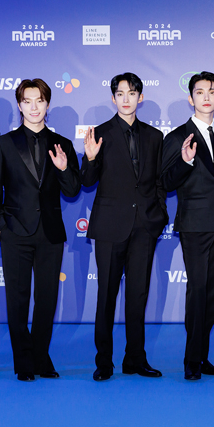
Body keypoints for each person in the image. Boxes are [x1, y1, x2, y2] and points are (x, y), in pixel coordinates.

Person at [0, 78, 81, 381]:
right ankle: (23, 362)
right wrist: (4, 230)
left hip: (50, 233)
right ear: (20, 105)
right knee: (17, 300)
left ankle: (41, 358)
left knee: (47, 300)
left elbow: (73, 190)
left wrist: (63, 169)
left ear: (47, 103)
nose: (34, 107)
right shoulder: (4, 143)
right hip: (15, 233)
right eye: (27, 101)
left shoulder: (63, 144)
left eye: (39, 100)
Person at [81, 73, 169, 381]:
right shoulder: (100, 133)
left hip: (144, 226)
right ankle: (104, 362)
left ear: (140, 97)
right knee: (106, 296)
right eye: (120, 94)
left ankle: (135, 359)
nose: (126, 99)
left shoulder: (154, 136)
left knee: (137, 296)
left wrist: (159, 215)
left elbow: (159, 181)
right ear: (113, 98)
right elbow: (86, 181)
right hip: (109, 227)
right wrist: (90, 159)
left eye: (132, 93)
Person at [161, 71, 214, 380]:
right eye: (200, 92)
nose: (206, 97)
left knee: (212, 292)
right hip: (195, 224)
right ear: (190, 99)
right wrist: (185, 161)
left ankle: (203, 357)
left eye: (212, 91)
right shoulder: (178, 137)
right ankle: (191, 360)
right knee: (198, 290)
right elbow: (165, 182)